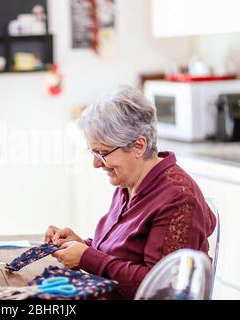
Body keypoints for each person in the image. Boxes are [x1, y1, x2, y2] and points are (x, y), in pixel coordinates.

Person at [45, 85, 216, 300]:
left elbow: (158, 290)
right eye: (93, 152)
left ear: (138, 146)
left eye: (103, 153)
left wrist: (87, 257)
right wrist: (81, 246)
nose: (96, 164)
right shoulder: (129, 183)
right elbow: (122, 255)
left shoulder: (178, 199)